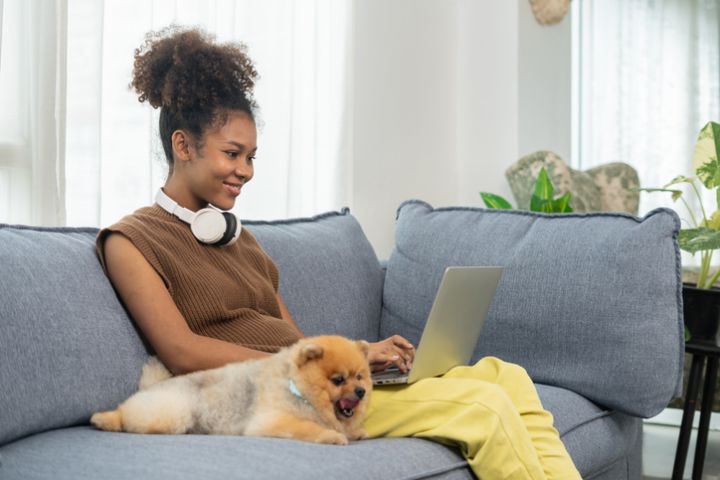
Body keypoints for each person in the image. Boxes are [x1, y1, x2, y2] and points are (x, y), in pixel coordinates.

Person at [96, 26, 581, 480]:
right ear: (184, 145)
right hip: (275, 399)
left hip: (309, 383)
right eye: (232, 153)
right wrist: (305, 370)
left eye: (251, 157)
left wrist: (361, 355)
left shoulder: (239, 239)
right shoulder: (130, 241)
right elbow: (182, 352)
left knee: (506, 376)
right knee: (483, 409)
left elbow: (295, 342)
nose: (244, 170)